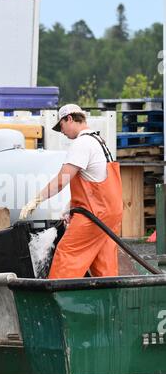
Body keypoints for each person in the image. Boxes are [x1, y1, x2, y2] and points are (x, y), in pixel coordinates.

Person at [19, 104, 123, 279]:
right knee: (103, 264)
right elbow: (94, 183)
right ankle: (109, 303)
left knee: (67, 254)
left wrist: (36, 200)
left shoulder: (82, 143)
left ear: (69, 118)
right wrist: (72, 207)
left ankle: (56, 301)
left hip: (94, 216)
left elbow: (61, 181)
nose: (62, 132)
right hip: (110, 214)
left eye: (61, 126)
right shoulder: (98, 141)